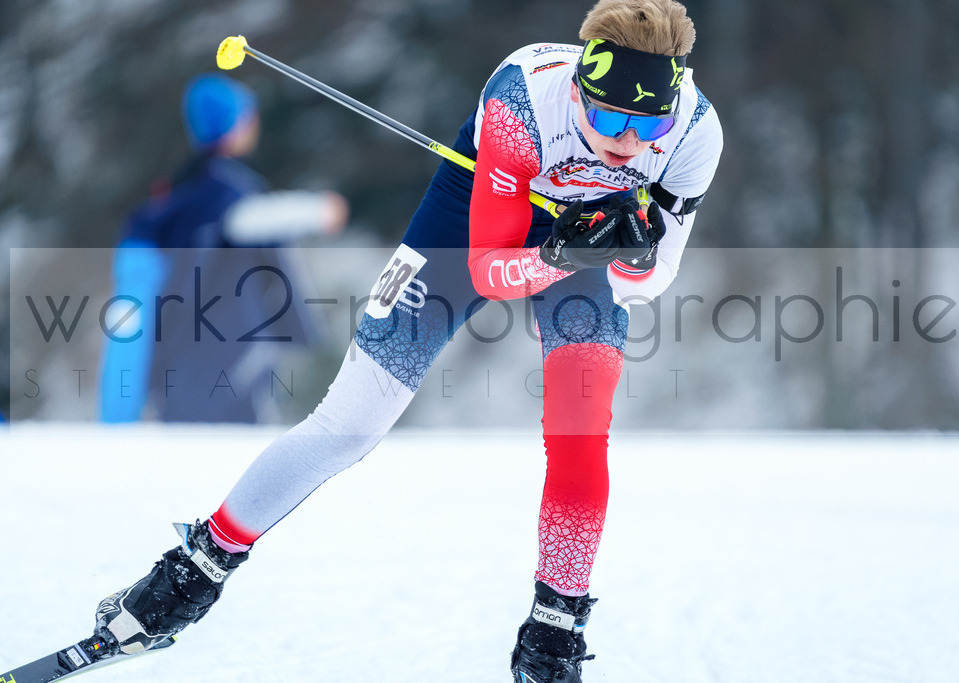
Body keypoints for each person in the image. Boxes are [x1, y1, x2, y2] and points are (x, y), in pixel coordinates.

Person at [92, 1, 722, 680]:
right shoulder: (523, 97)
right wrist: (562, 252)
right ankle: (191, 575)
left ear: (673, 106)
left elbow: (654, 276)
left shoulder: (695, 133)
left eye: (646, 122)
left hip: (584, 250)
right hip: (474, 215)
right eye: (607, 119)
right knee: (351, 422)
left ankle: (553, 635)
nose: (627, 142)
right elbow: (488, 266)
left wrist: (617, 246)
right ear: (578, 92)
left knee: (579, 429)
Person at [99, 73, 348, 424]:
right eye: (248, 116)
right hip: (218, 341)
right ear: (235, 124)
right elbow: (246, 220)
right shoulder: (222, 186)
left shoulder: (187, 184)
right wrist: (318, 211)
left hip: (192, 339)